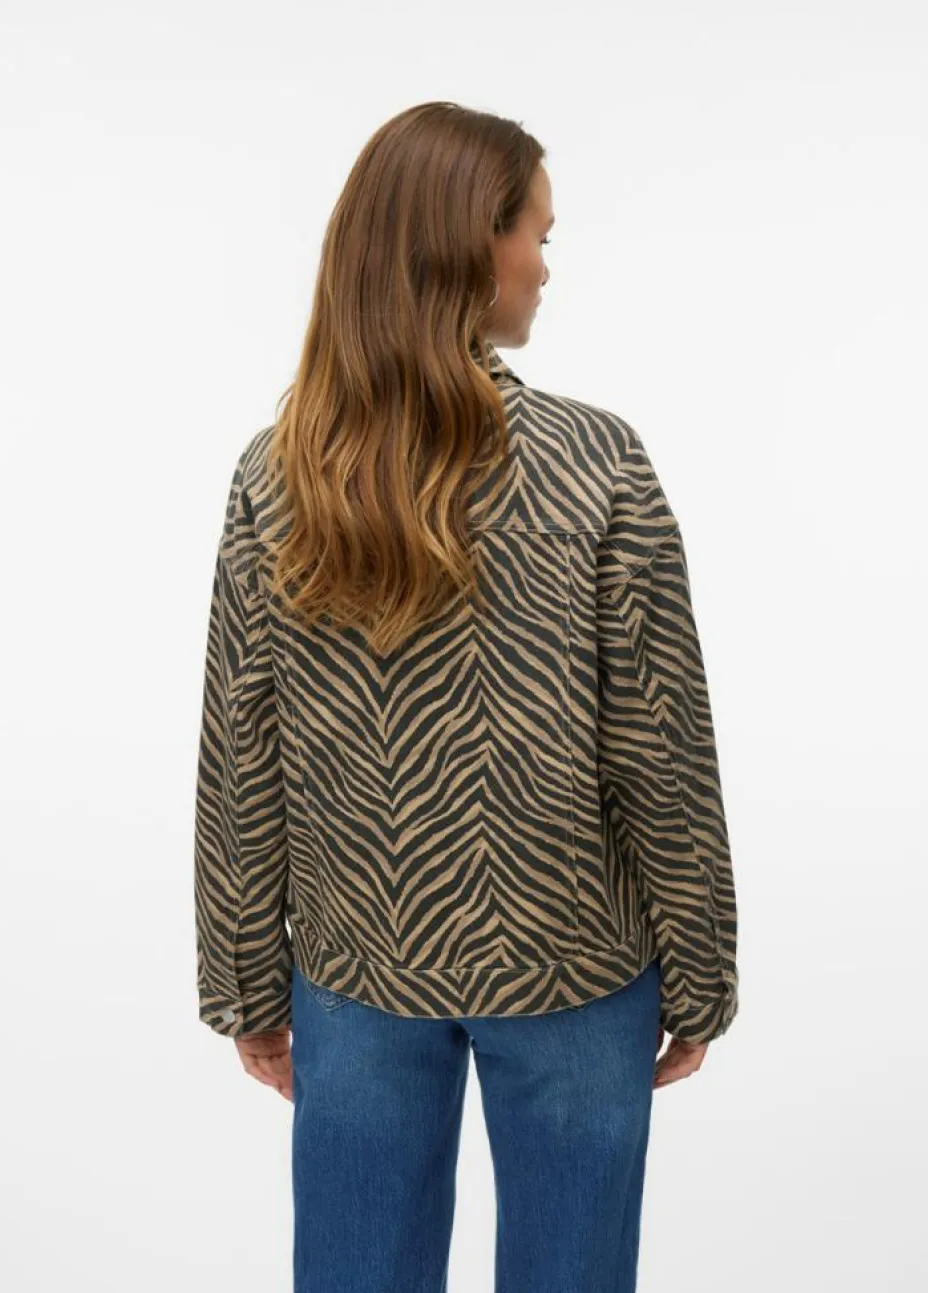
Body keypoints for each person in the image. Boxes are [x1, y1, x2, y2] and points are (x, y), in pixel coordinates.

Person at [193, 99, 740, 1293]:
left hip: (358, 965)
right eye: (535, 233)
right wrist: (701, 971)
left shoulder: (278, 475)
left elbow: (243, 754)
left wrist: (242, 979)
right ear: (468, 244)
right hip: (573, 966)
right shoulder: (597, 463)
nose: (545, 264)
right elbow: (661, 749)